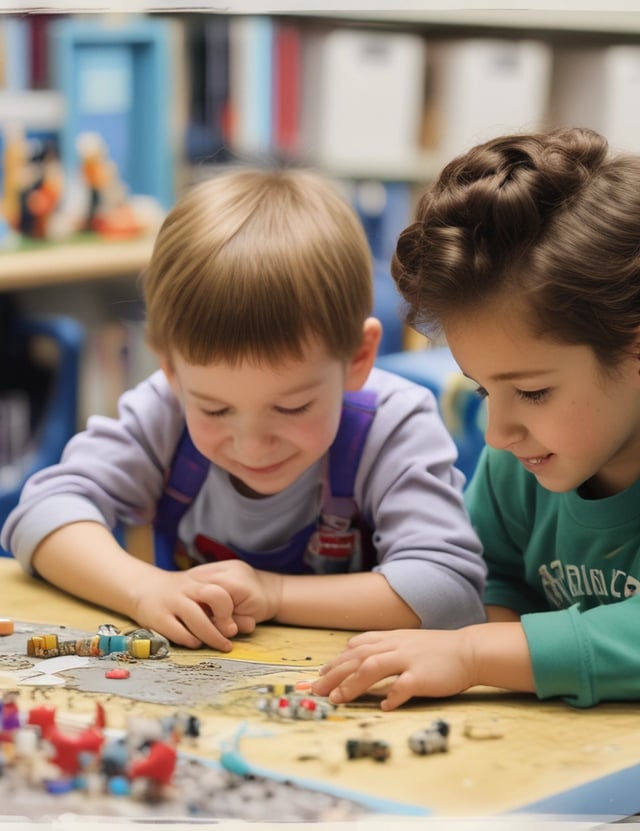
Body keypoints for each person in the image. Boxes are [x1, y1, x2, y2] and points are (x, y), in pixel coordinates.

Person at [310, 127, 640, 814]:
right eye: (486, 390)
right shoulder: (521, 463)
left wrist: (474, 655)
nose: (497, 431)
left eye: (531, 392)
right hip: (570, 775)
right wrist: (482, 644)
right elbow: (493, 576)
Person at [1, 168, 486, 653]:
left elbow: (448, 591)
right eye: (214, 410)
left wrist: (273, 593)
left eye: (293, 406)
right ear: (172, 372)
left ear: (358, 358)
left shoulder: (393, 425)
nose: (252, 444)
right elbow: (41, 513)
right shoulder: (165, 411)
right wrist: (143, 587)